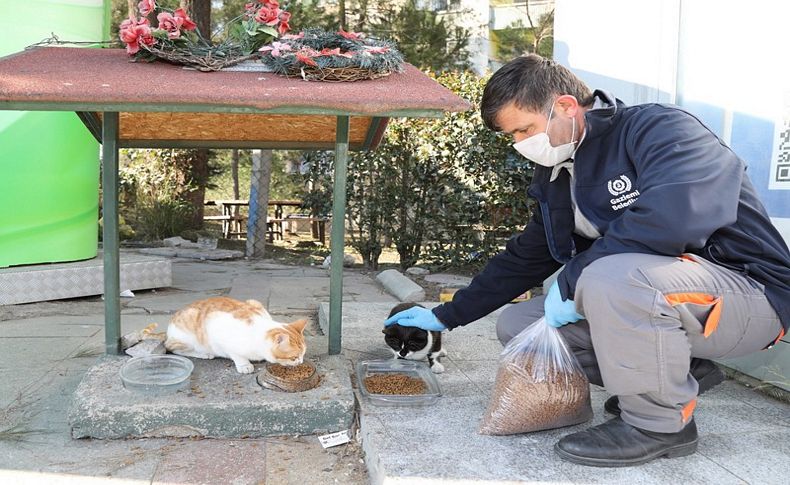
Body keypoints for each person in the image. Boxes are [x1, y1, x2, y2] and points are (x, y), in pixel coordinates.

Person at [384, 54, 790, 467]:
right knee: (521, 324)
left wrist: (574, 277)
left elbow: (676, 214)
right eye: (513, 136)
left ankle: (659, 425)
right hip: (675, 301)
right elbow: (528, 254)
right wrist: (447, 315)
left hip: (753, 294)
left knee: (611, 278)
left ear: (564, 106)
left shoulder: (660, 128)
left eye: (524, 129)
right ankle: (682, 372)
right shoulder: (559, 171)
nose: (522, 144)